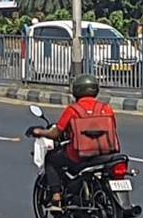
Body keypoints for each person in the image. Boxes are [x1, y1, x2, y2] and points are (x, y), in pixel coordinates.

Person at [29, 75, 118, 209]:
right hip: (105, 153)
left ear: (76, 91)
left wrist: (40, 132)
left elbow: (55, 133)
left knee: (51, 159)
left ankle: (56, 196)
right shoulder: (107, 109)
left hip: (79, 155)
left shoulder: (73, 110)